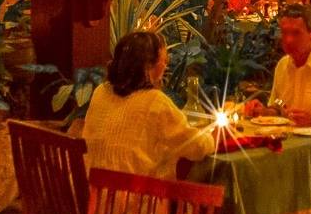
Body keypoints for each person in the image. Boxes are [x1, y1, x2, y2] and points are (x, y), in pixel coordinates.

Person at [80, 30, 217, 179]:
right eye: (163, 61)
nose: (165, 67)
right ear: (147, 66)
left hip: (89, 193)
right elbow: (196, 147)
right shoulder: (154, 101)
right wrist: (214, 138)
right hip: (129, 197)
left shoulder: (100, 92)